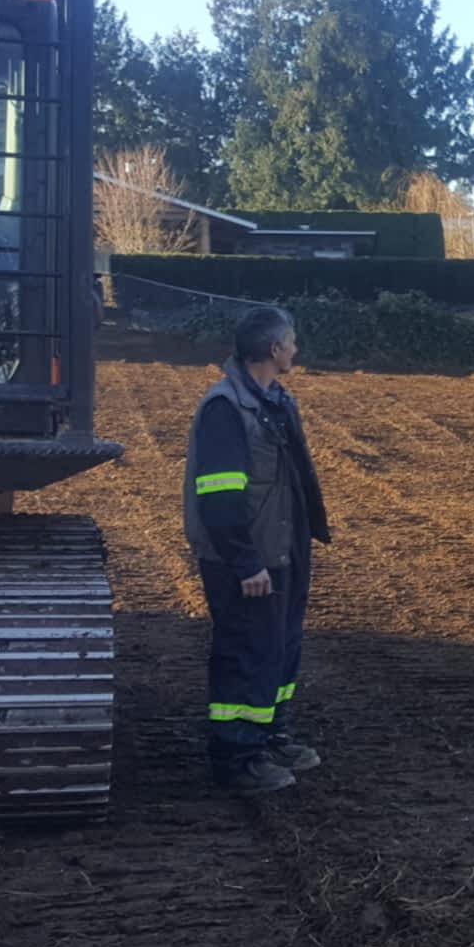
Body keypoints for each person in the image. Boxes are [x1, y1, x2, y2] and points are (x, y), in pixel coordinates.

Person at [182, 305, 332, 793]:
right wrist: (246, 562)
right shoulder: (226, 408)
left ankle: (269, 735)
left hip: (282, 552)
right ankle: (236, 757)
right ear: (274, 349)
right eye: (291, 341)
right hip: (246, 560)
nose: (296, 349)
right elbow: (220, 498)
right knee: (246, 653)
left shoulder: (275, 400)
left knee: (279, 652)